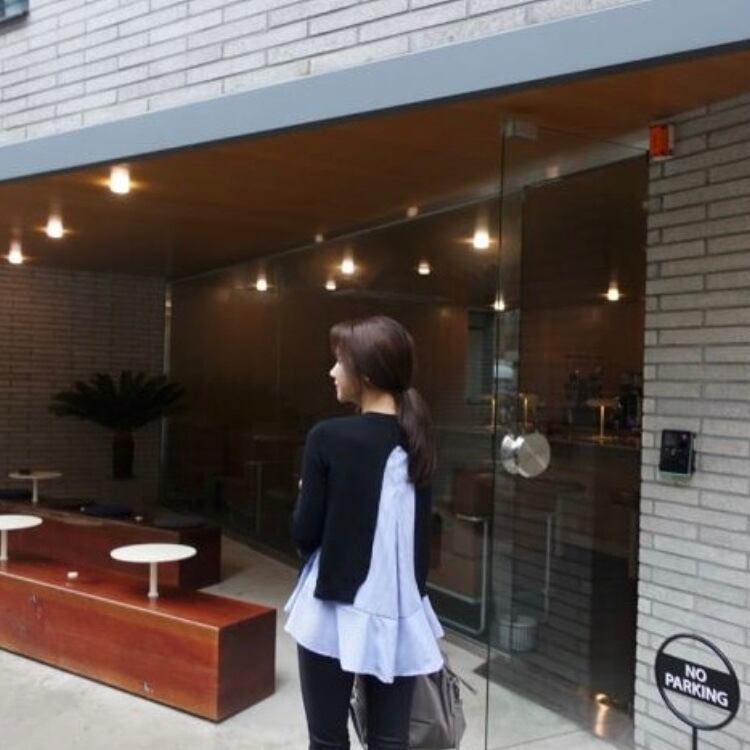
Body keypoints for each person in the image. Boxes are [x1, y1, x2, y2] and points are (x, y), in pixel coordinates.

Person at [284, 315, 444, 750]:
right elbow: (419, 542)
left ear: (366, 373)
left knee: (328, 740)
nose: (331, 371)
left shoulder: (328, 436)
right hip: (400, 609)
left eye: (339, 361)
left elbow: (304, 533)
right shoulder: (418, 438)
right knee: (390, 742)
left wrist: (307, 493)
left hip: (333, 607)